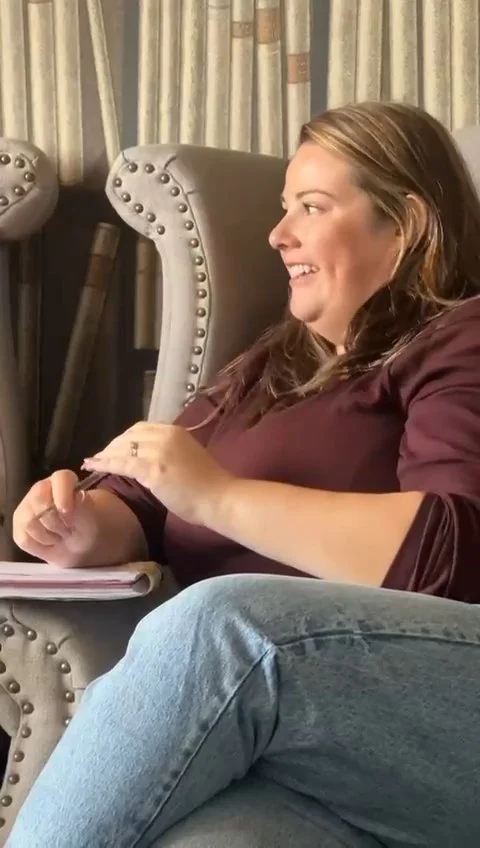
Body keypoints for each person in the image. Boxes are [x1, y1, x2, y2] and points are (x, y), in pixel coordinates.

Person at [7, 101, 480, 847]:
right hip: (307, 749)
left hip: (435, 699)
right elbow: (139, 499)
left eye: (312, 207)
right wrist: (70, 521)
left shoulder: (458, 338)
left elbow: (453, 555)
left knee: (223, 627)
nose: (278, 233)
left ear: (407, 223)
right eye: (283, 206)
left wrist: (217, 496)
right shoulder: (267, 367)